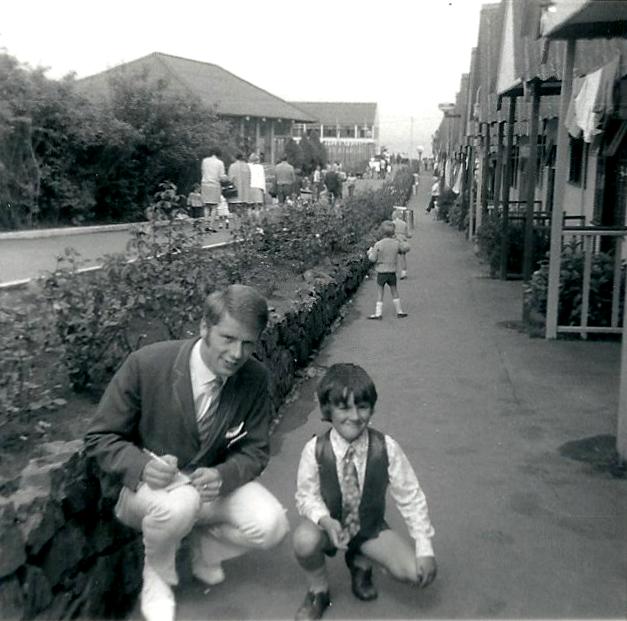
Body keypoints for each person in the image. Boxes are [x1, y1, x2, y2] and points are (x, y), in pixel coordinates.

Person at [84, 285, 290, 621]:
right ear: (204, 328)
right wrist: (140, 466)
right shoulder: (146, 364)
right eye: (228, 338)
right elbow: (99, 436)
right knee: (179, 506)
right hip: (148, 494)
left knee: (273, 526)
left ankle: (203, 548)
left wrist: (224, 474)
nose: (238, 354)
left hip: (207, 491)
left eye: (248, 343)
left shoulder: (254, 378)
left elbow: (256, 450)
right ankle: (157, 578)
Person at [292, 363, 436, 620]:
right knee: (304, 540)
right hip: (329, 527)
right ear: (328, 409)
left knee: (417, 573)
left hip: (369, 527)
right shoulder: (314, 449)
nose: (355, 416)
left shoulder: (386, 447)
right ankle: (318, 591)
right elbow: (306, 496)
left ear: (372, 408)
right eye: (344, 407)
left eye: (363, 406)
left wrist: (425, 548)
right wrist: (326, 521)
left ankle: (360, 560)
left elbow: (410, 496)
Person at [366, 221, 410, 319]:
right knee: (394, 291)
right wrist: (399, 239)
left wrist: (369, 253)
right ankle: (399, 311)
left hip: (381, 272)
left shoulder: (378, 244)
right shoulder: (396, 243)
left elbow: (373, 259)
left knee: (380, 292)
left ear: (382, 232)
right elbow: (406, 248)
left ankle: (378, 313)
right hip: (392, 272)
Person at [201, 148, 226, 231]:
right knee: (214, 207)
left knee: (206, 206)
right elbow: (221, 176)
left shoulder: (204, 161)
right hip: (215, 184)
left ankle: (206, 225)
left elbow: (202, 172)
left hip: (205, 184)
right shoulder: (220, 163)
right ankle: (211, 226)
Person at [227, 153, 252, 222]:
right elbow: (250, 178)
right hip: (245, 193)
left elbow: (230, 180)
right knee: (245, 210)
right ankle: (244, 226)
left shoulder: (232, 166)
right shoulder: (247, 166)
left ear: (235, 158)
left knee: (235, 211)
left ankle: (236, 227)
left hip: (235, 193)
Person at [392, 208, 412, 280]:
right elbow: (408, 235)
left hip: (394, 242)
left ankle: (393, 272)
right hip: (402, 242)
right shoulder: (404, 223)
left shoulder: (392, 223)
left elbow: (390, 234)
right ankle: (404, 272)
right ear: (400, 216)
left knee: (393, 257)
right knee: (402, 257)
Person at [248, 153, 266, 217]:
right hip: (258, 188)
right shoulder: (260, 167)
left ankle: (249, 222)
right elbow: (262, 179)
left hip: (249, 187)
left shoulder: (247, 166)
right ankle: (257, 222)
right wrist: (264, 190)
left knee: (250, 206)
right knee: (257, 207)